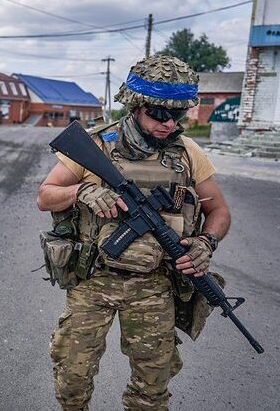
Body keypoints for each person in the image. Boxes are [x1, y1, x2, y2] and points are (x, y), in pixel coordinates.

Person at [36, 55, 231, 411]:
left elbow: (218, 210)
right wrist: (81, 192)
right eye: (159, 113)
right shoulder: (95, 145)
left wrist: (207, 241)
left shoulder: (187, 153)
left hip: (154, 287)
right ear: (136, 105)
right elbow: (45, 196)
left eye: (177, 116)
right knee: (72, 378)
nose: (168, 124)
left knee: (152, 387)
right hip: (92, 280)